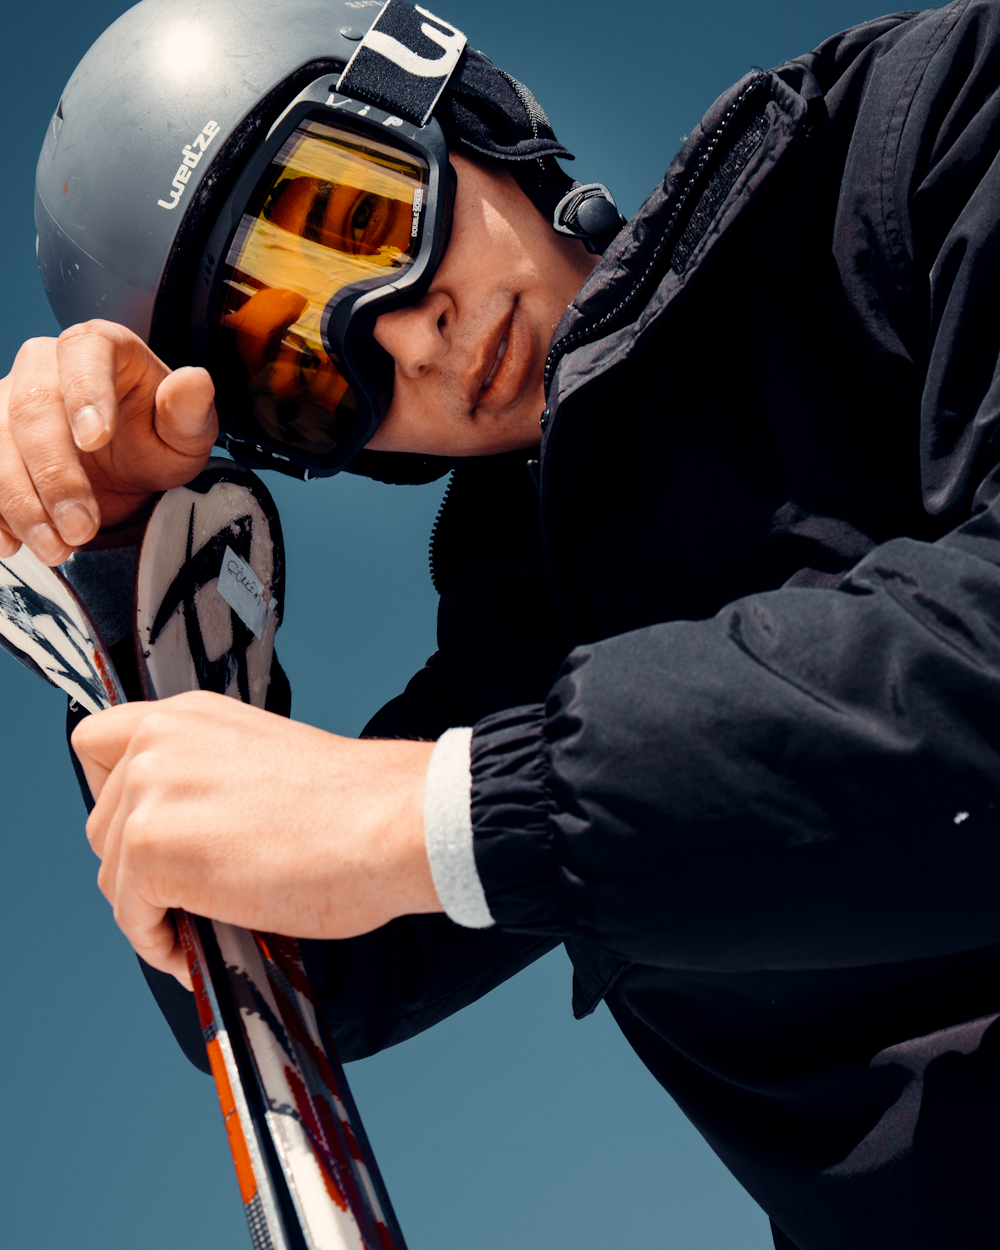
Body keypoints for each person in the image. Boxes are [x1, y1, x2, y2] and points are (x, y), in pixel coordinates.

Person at [2, 0, 1000, 1245]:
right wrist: (109, 563)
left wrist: (444, 809)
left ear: (456, 102)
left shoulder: (925, 135)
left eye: (362, 219)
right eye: (309, 371)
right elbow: (294, 981)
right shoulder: (532, 624)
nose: (403, 334)